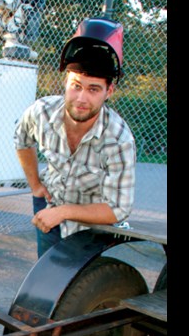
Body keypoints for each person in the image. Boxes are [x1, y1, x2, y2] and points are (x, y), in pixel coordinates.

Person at [14, 17, 136, 259]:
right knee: (47, 284)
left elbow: (118, 208)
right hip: (49, 208)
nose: (82, 98)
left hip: (94, 226)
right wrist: (36, 186)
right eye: (76, 86)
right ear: (66, 82)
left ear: (108, 91)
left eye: (93, 89)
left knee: (86, 289)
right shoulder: (41, 112)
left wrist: (64, 212)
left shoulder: (119, 139)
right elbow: (22, 139)